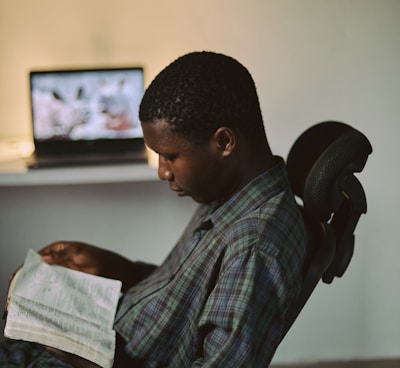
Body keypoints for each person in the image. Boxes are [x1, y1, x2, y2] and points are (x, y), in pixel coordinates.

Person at [1, 51, 308, 367]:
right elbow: (185, 296)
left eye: (170, 156)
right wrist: (117, 269)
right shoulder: (228, 194)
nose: (162, 171)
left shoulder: (254, 246)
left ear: (225, 142)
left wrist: (105, 363)